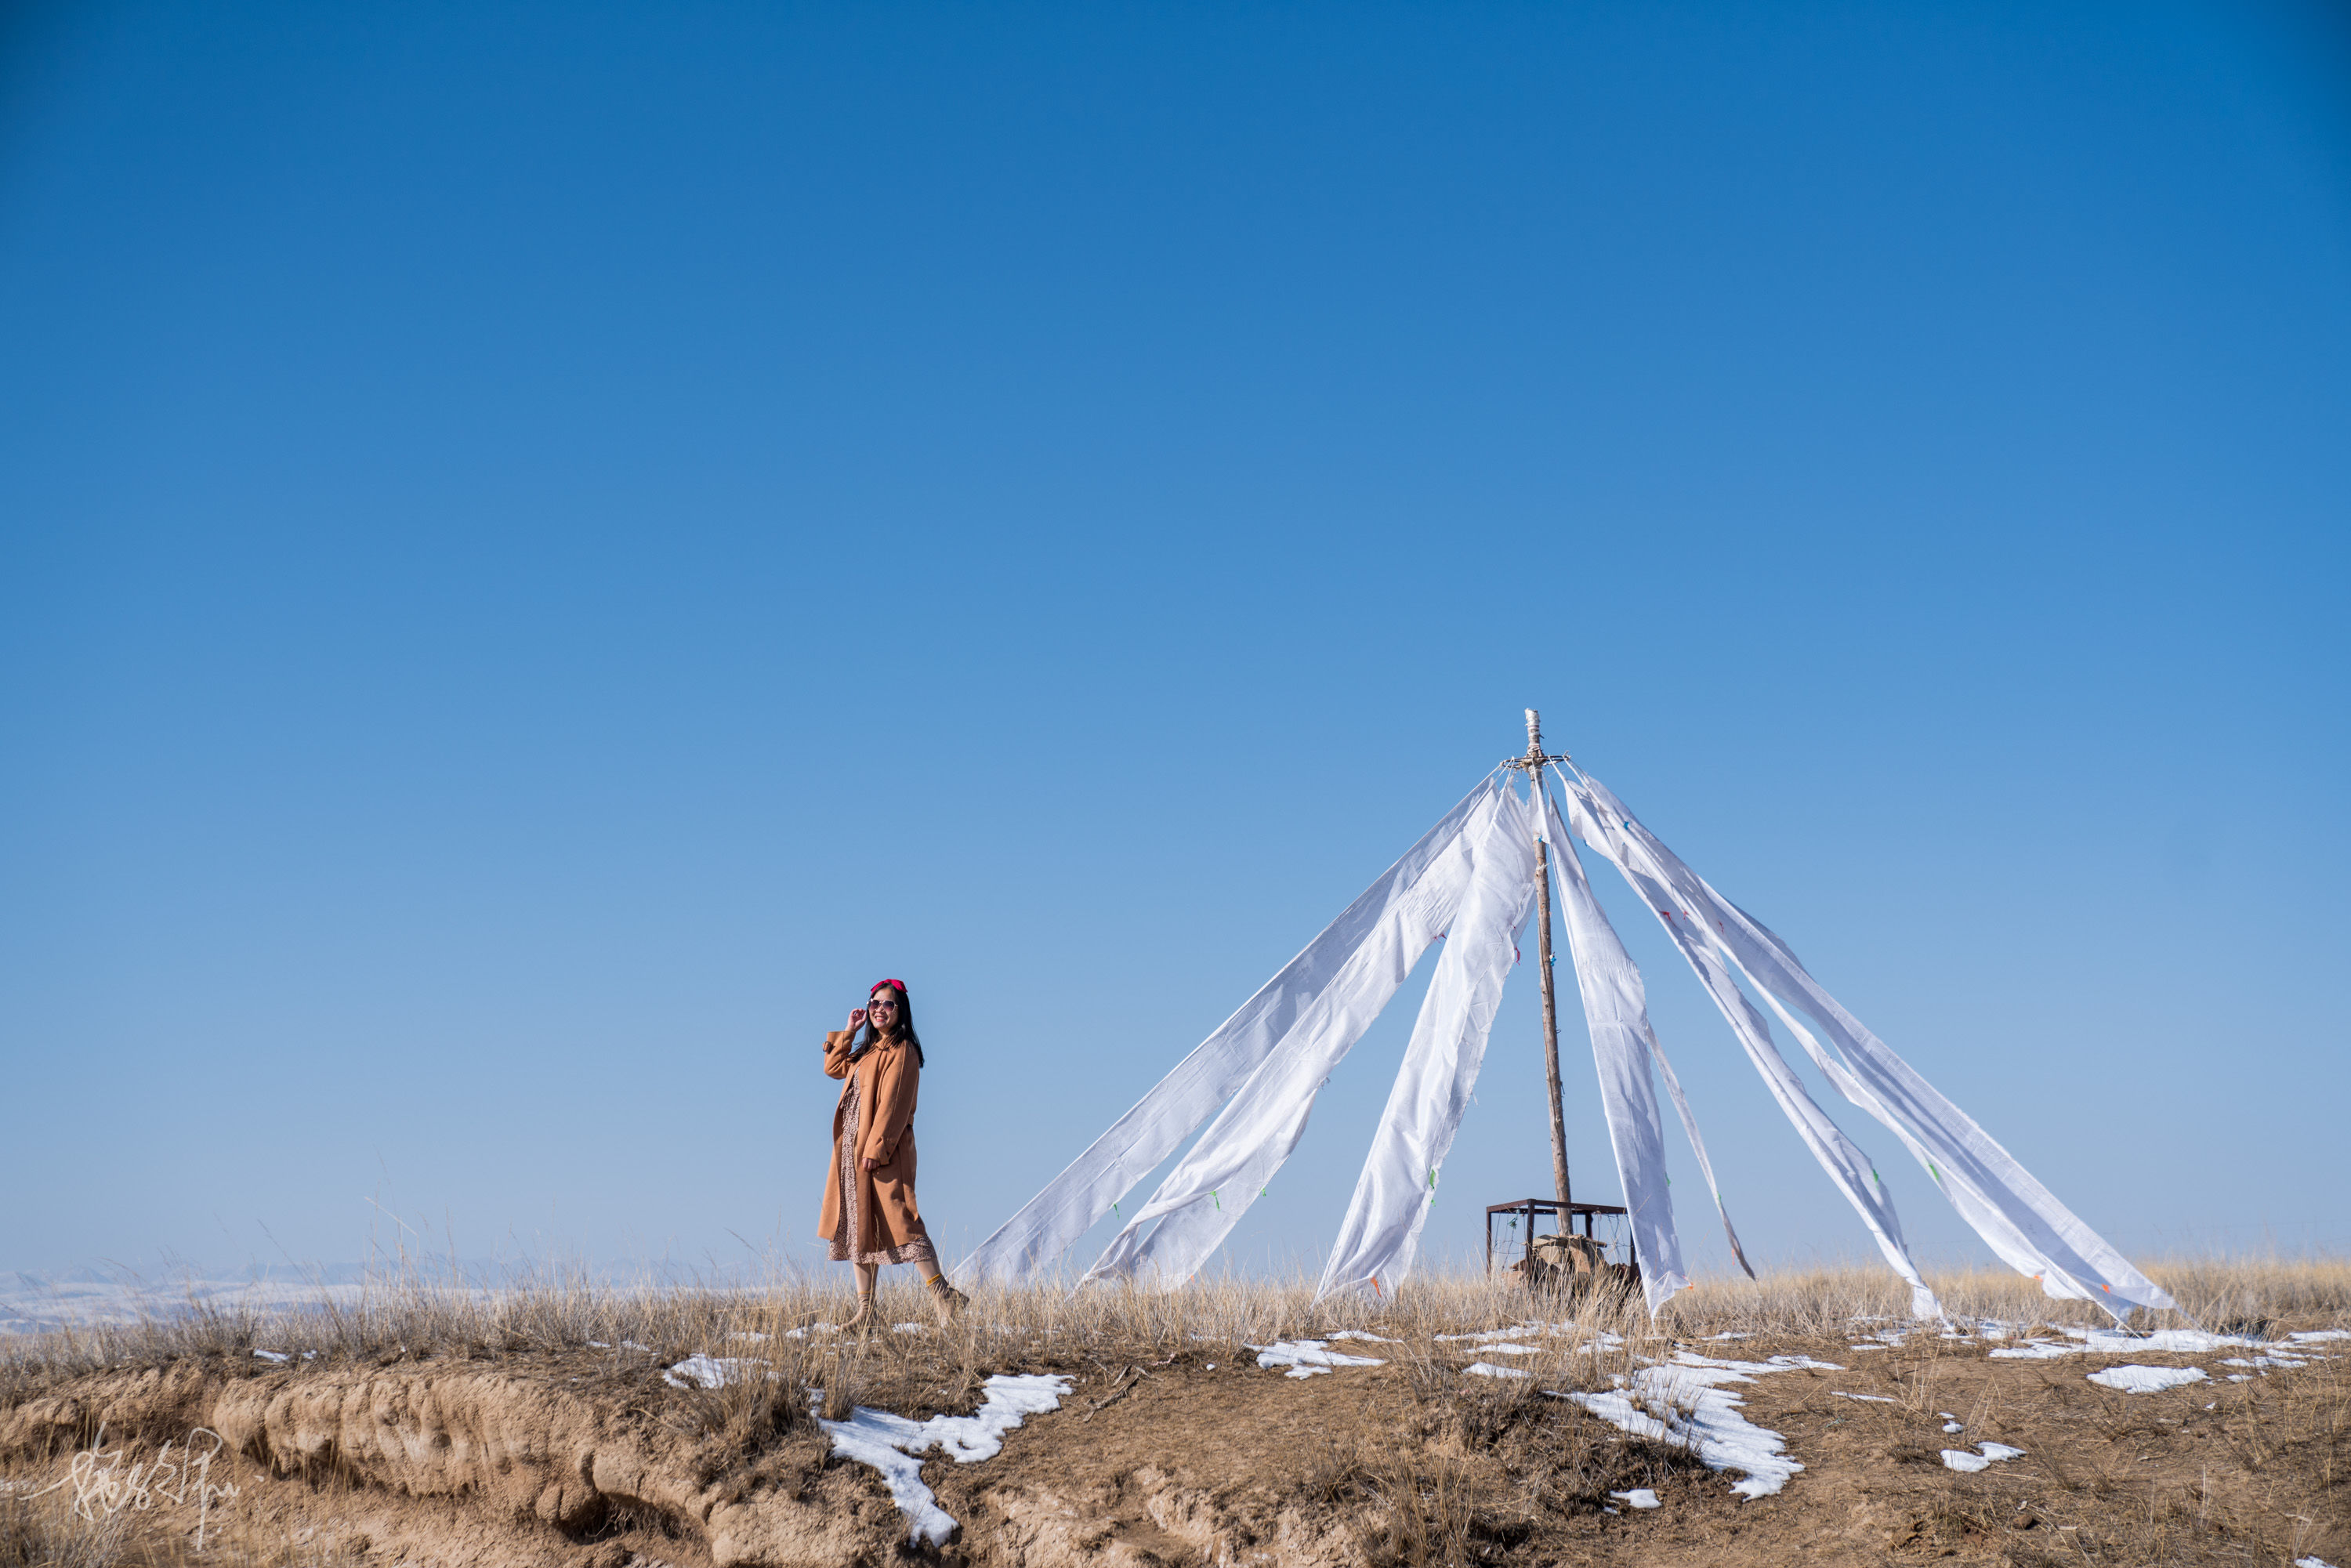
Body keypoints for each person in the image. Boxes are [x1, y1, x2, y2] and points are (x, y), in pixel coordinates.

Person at [819, 978, 967, 1327]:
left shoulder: (903, 1051)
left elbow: (895, 1106)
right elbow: (832, 1068)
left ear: (901, 1012)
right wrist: (849, 1029)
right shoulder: (869, 1050)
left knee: (904, 1223)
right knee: (858, 1227)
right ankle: (866, 1311)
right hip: (851, 1155)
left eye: (887, 1005)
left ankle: (944, 1296)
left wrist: (877, 1149)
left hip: (879, 1155)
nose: (879, 1010)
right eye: (874, 1004)